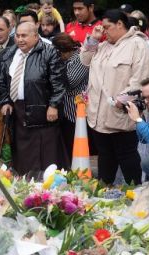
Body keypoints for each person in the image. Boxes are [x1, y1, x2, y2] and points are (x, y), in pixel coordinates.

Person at [80, 9, 149, 185]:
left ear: (120, 24)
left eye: (107, 27)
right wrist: (93, 39)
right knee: (105, 156)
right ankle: (103, 192)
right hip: (98, 114)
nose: (104, 31)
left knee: (127, 156)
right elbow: (85, 60)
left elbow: (141, 79)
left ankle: (134, 192)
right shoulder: (103, 45)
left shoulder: (138, 44)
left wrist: (122, 101)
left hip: (122, 113)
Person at [0, 22, 67, 176]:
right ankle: (24, 186)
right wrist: (5, 102)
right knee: (23, 155)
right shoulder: (9, 53)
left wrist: (54, 104)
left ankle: (48, 189)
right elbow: (2, 81)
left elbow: (59, 81)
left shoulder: (49, 52)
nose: (20, 39)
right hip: (19, 111)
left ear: (35, 36)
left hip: (43, 110)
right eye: (17, 36)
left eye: (24, 36)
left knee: (46, 156)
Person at [52, 33, 89, 162]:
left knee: (75, 144)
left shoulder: (80, 58)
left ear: (62, 51)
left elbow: (69, 82)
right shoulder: (64, 60)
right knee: (66, 146)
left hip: (76, 110)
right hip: (65, 110)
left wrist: (55, 69)